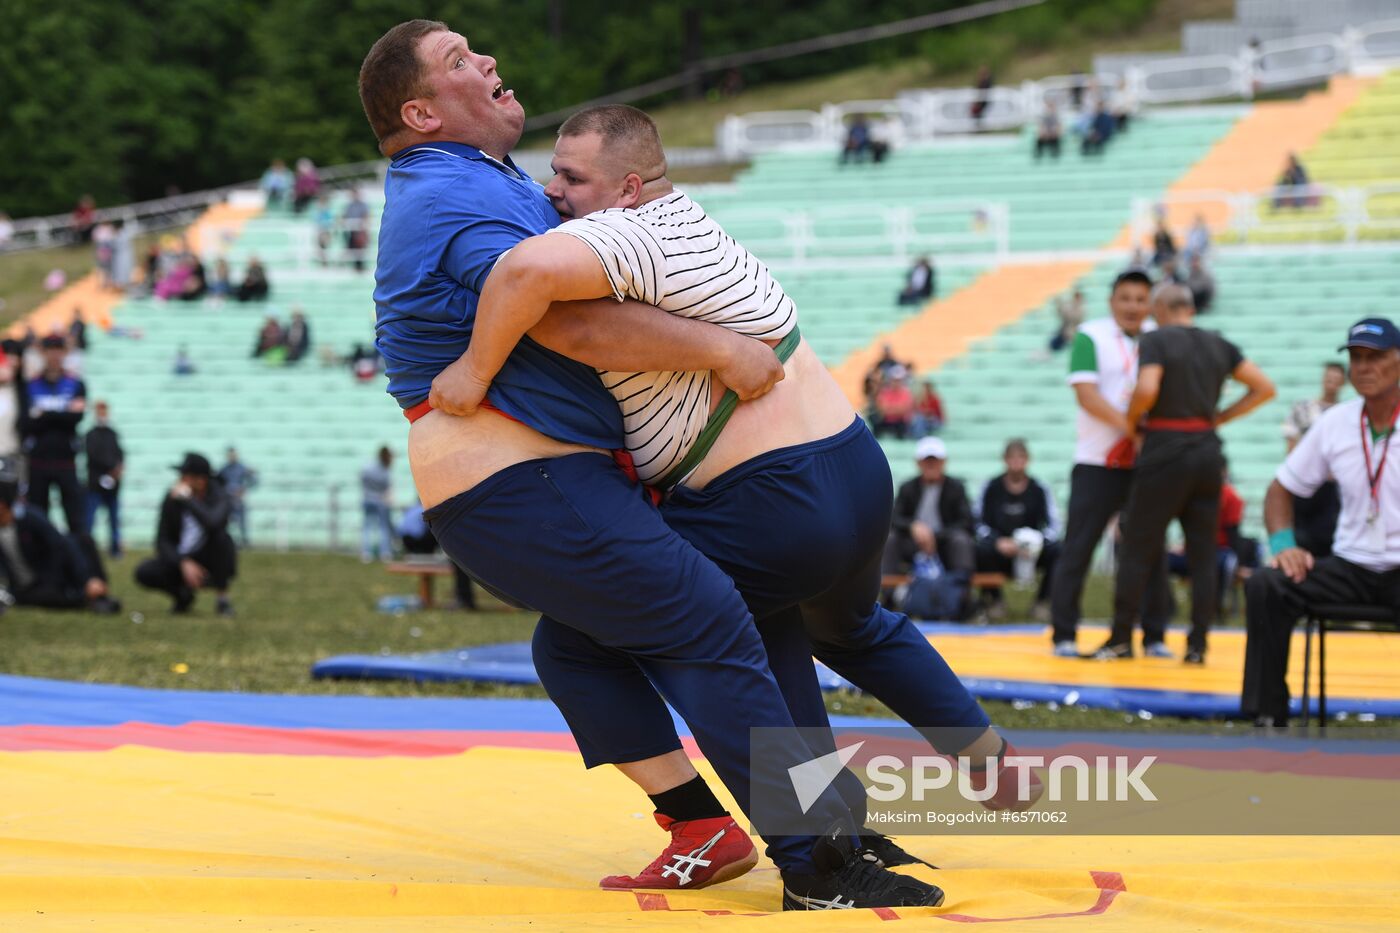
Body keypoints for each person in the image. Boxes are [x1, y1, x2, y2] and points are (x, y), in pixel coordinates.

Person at [359, 21, 940, 907]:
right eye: (456, 62)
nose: (484, 60)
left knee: (589, 644)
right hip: (525, 479)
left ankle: (705, 822)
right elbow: (564, 321)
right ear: (422, 111)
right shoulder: (451, 197)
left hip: (537, 480)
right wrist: (721, 347)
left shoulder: (471, 179)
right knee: (713, 620)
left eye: (478, 45)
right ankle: (817, 862)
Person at [430, 102, 1033, 894]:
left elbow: (527, 276)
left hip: (769, 492)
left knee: (590, 641)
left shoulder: (627, 231)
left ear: (629, 185)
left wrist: (471, 374)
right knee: (844, 627)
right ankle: (977, 757)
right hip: (850, 464)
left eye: (572, 177)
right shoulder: (687, 224)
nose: (554, 191)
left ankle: (786, 837)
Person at [1095, 283, 1274, 663]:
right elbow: (1263, 388)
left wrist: (1132, 421)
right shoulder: (1218, 343)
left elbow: (1147, 387)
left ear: (1161, 308)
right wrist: (1220, 417)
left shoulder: (1157, 339)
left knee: (1138, 546)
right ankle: (1197, 645)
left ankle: (1121, 639)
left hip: (1164, 450)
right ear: (1190, 307)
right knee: (1204, 553)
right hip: (1208, 454)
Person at [1243, 317, 1400, 725]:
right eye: (1357, 358)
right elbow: (1280, 488)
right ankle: (1266, 713)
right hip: (1349, 565)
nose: (1364, 367)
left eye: (1376, 357)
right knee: (1268, 583)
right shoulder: (1336, 422)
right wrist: (1283, 545)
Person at [1048, 271, 1172, 657]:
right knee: (1079, 548)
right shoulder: (1090, 335)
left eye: (1140, 299)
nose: (1133, 306)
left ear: (1150, 303)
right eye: (1125, 298)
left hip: (1145, 463)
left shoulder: (1160, 336)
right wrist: (1131, 427)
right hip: (1097, 461)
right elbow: (1086, 396)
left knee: (1152, 549)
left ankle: (1154, 636)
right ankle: (1064, 634)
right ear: (1112, 301)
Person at [134, 453, 237, 616]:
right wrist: (182, 562)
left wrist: (189, 500)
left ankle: (222, 600)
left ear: (201, 480)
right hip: (181, 560)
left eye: (185, 476)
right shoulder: (172, 499)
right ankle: (182, 596)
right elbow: (162, 540)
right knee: (145, 571)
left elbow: (213, 523)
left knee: (222, 539)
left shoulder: (220, 496)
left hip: (209, 560)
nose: (180, 480)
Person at [0, 474, 120, 613]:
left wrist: (85, 579)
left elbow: (61, 544)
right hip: (26, 588)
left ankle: (93, 588)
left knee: (83, 540)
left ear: (2, 505)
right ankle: (87, 597)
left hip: (52, 576)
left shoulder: (30, 518)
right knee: (38, 596)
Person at [975, 439, 1060, 622]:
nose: (1016, 462)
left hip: (1033, 549)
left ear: (1028, 460)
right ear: (1004, 460)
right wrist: (997, 541)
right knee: (980, 550)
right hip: (1000, 549)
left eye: (1020, 457)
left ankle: (1042, 603)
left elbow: (1054, 526)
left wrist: (1034, 542)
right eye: (1012, 458)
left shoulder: (1039, 489)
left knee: (1058, 551)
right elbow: (978, 523)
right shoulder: (991, 487)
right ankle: (995, 601)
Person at [885, 436, 977, 592]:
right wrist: (913, 526)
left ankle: (962, 596)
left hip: (945, 543)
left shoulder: (956, 488)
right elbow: (893, 517)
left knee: (961, 540)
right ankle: (888, 595)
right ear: (918, 463)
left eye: (935, 461)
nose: (931, 465)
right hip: (913, 543)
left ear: (943, 462)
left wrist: (936, 535)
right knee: (891, 539)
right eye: (927, 461)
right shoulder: (908, 488)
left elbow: (967, 521)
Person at [23, 335, 86, 534]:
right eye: (50, 350)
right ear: (43, 353)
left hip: (66, 459)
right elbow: (29, 423)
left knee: (75, 518)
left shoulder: (75, 383)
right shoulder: (30, 385)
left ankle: (78, 561)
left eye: (59, 350)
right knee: (38, 515)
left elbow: (75, 419)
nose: (54, 355)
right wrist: (62, 413)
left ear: (65, 353)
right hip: (38, 460)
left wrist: (45, 415)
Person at [1283, 362, 1347, 557]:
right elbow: (1291, 444)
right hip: (1305, 484)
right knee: (1302, 538)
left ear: (1344, 383)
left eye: (1336, 379)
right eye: (1329, 378)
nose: (1331, 383)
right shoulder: (1303, 408)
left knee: (1330, 539)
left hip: (1332, 487)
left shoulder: (1347, 413)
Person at [398, 501, 476, 609]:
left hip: (405, 539)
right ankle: (464, 599)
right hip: (416, 538)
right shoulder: (428, 508)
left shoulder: (413, 508)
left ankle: (463, 599)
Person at [83, 400, 123, 558]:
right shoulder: (90, 435)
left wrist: (117, 470)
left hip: (113, 485)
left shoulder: (112, 433)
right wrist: (112, 467)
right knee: (90, 519)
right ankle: (87, 547)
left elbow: (120, 453)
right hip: (95, 484)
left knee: (114, 519)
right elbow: (93, 456)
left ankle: (115, 548)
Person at [359, 445, 395, 563]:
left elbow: (362, 479)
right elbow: (387, 487)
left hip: (368, 499)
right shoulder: (385, 470)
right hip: (380, 501)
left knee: (367, 527)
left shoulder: (368, 467)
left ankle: (366, 553)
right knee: (383, 528)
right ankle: (385, 553)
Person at [217, 448, 257, 548]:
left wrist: (243, 489)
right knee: (224, 522)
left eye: (233, 455)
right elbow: (217, 482)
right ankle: (224, 542)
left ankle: (245, 542)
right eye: (230, 455)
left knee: (242, 522)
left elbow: (253, 481)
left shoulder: (242, 468)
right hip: (227, 500)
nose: (232, 457)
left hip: (238, 501)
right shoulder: (224, 469)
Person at [871, 366, 915, 438]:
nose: (896, 382)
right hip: (886, 421)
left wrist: (890, 408)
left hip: (901, 422)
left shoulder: (906, 393)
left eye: (898, 380)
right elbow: (882, 410)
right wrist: (897, 408)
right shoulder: (884, 392)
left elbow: (904, 410)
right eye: (894, 380)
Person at [342, 188, 371, 272]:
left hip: (360, 230)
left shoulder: (363, 205)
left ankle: (359, 266)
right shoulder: (349, 205)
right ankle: (354, 266)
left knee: (359, 248)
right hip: (351, 230)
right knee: (351, 246)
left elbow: (366, 216)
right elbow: (344, 216)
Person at [1049, 289, 1086, 353]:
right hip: (1066, 333)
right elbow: (1063, 314)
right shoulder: (1071, 306)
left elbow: (1074, 318)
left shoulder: (1081, 309)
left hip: (1071, 334)